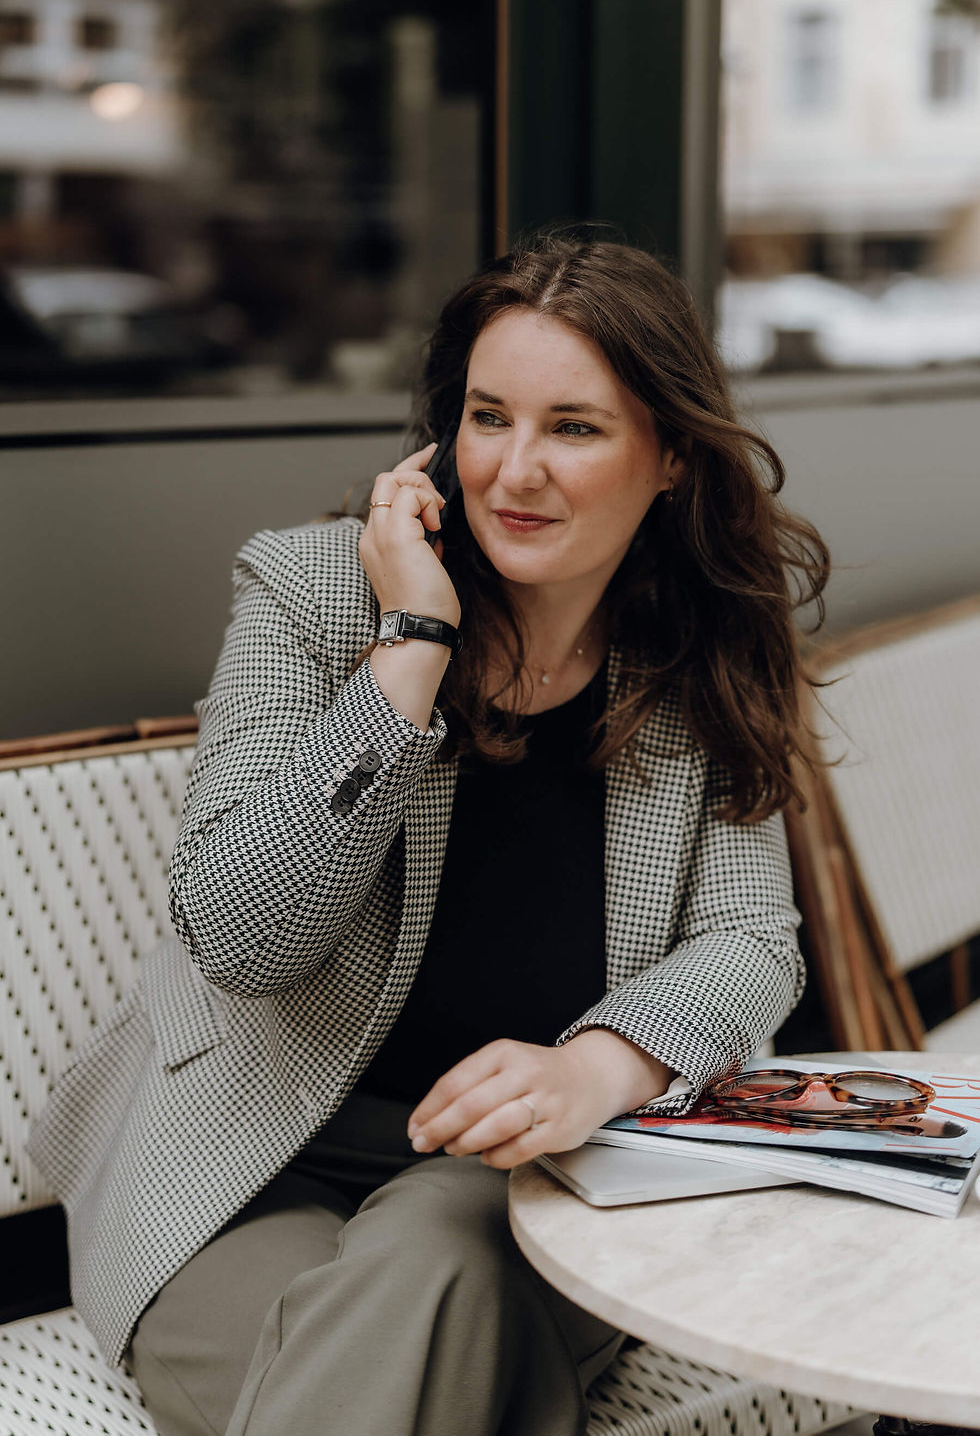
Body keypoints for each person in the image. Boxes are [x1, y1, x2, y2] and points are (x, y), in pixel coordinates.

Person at [28, 230, 830, 1436]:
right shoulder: (307, 593)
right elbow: (242, 938)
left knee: (437, 1252)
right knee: (435, 1358)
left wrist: (593, 1069)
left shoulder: (687, 654)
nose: (514, 470)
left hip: (521, 1180)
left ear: (666, 455)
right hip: (240, 1168)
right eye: (486, 416)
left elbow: (748, 938)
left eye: (573, 426)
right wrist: (410, 648)